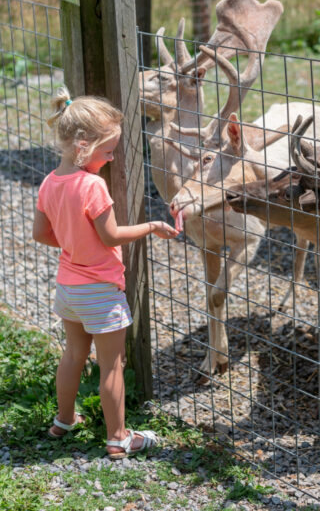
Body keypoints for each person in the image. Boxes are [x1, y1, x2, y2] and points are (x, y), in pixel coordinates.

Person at [32, 87, 180, 459]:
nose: (112, 157)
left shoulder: (50, 182)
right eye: (108, 151)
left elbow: (40, 234)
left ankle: (64, 420)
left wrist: (73, 245)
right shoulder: (92, 185)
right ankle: (119, 437)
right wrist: (151, 227)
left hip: (68, 288)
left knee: (72, 356)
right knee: (113, 365)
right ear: (83, 145)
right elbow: (111, 235)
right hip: (100, 289)